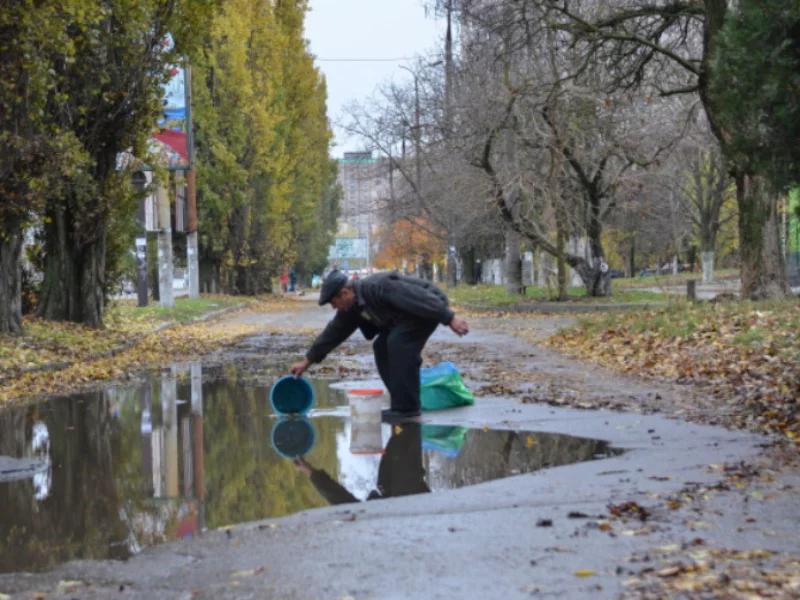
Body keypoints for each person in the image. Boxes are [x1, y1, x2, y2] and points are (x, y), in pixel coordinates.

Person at [289, 270, 469, 421]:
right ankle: (401, 402)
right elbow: (333, 333)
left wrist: (449, 318)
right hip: (405, 317)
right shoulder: (351, 307)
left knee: (399, 343)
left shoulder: (378, 287)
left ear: (344, 292)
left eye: (333, 302)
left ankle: (408, 408)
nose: (333, 307)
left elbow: (418, 298)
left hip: (428, 305)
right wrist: (307, 362)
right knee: (381, 347)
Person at [292, 422, 429, 504]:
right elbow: (342, 500)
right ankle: (406, 415)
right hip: (402, 494)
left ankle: (406, 415)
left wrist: (311, 473)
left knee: (405, 423)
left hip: (398, 493)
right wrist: (310, 472)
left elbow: (341, 500)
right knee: (405, 425)